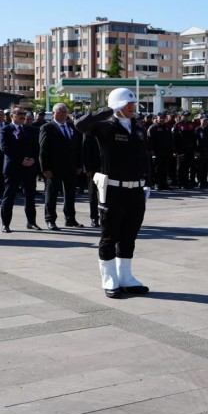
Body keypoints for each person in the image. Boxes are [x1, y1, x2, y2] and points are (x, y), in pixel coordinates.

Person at [75, 88, 150, 299]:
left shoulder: (139, 128)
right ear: (118, 105)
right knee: (110, 236)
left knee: (129, 236)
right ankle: (109, 279)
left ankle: (125, 278)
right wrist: (107, 110)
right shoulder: (105, 127)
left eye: (133, 104)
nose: (133, 107)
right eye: (128, 104)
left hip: (136, 190)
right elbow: (80, 125)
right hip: (113, 190)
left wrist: (148, 183)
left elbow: (144, 158)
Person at [39, 103, 83, 230]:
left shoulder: (72, 127)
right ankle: (50, 219)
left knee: (70, 194)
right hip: (54, 168)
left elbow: (78, 147)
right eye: (59, 111)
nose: (63, 114)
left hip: (71, 167)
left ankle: (70, 219)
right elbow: (43, 149)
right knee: (51, 195)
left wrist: (79, 164)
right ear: (53, 113)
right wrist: (45, 168)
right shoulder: (47, 127)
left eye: (64, 111)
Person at [0, 106, 41, 232]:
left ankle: (31, 222)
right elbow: (5, 148)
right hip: (13, 168)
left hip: (29, 168)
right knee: (9, 196)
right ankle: (5, 224)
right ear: (12, 115)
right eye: (19, 114)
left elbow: (37, 147)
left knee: (30, 196)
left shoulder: (31, 130)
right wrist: (21, 160)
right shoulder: (5, 130)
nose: (23, 116)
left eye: (24, 114)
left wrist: (34, 159)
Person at [146, 112, 173, 190]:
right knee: (157, 169)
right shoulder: (153, 128)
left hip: (166, 152)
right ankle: (157, 184)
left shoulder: (167, 128)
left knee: (165, 169)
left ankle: (164, 184)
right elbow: (149, 140)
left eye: (163, 118)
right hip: (157, 152)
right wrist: (151, 150)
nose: (162, 119)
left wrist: (171, 150)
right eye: (160, 118)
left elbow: (171, 140)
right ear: (157, 118)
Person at [172, 110, 196, 188]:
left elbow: (194, 138)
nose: (186, 117)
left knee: (187, 166)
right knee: (181, 167)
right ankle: (180, 183)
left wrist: (194, 149)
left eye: (187, 116)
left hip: (190, 149)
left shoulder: (191, 124)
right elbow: (174, 139)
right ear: (181, 116)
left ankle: (186, 182)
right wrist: (174, 150)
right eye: (185, 115)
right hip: (180, 149)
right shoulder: (177, 125)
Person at [195, 114, 208, 188]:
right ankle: (200, 182)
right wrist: (196, 151)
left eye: (206, 120)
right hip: (200, 151)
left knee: (206, 167)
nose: (205, 122)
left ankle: (205, 181)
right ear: (200, 120)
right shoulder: (197, 129)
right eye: (204, 120)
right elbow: (194, 141)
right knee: (200, 167)